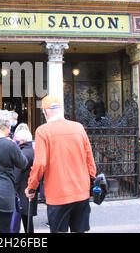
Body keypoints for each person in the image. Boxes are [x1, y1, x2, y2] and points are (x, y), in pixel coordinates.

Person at [25, 95, 97, 233]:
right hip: (81, 192)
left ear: (45, 112)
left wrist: (31, 187)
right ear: (60, 110)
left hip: (57, 195)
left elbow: (40, 163)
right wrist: (91, 180)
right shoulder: (79, 127)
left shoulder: (43, 131)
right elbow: (90, 159)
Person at [13, 125, 38, 233]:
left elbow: (16, 176)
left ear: (22, 141)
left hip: (22, 191)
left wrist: (12, 188)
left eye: (17, 141)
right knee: (28, 220)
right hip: (29, 189)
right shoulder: (31, 151)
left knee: (24, 220)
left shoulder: (23, 153)